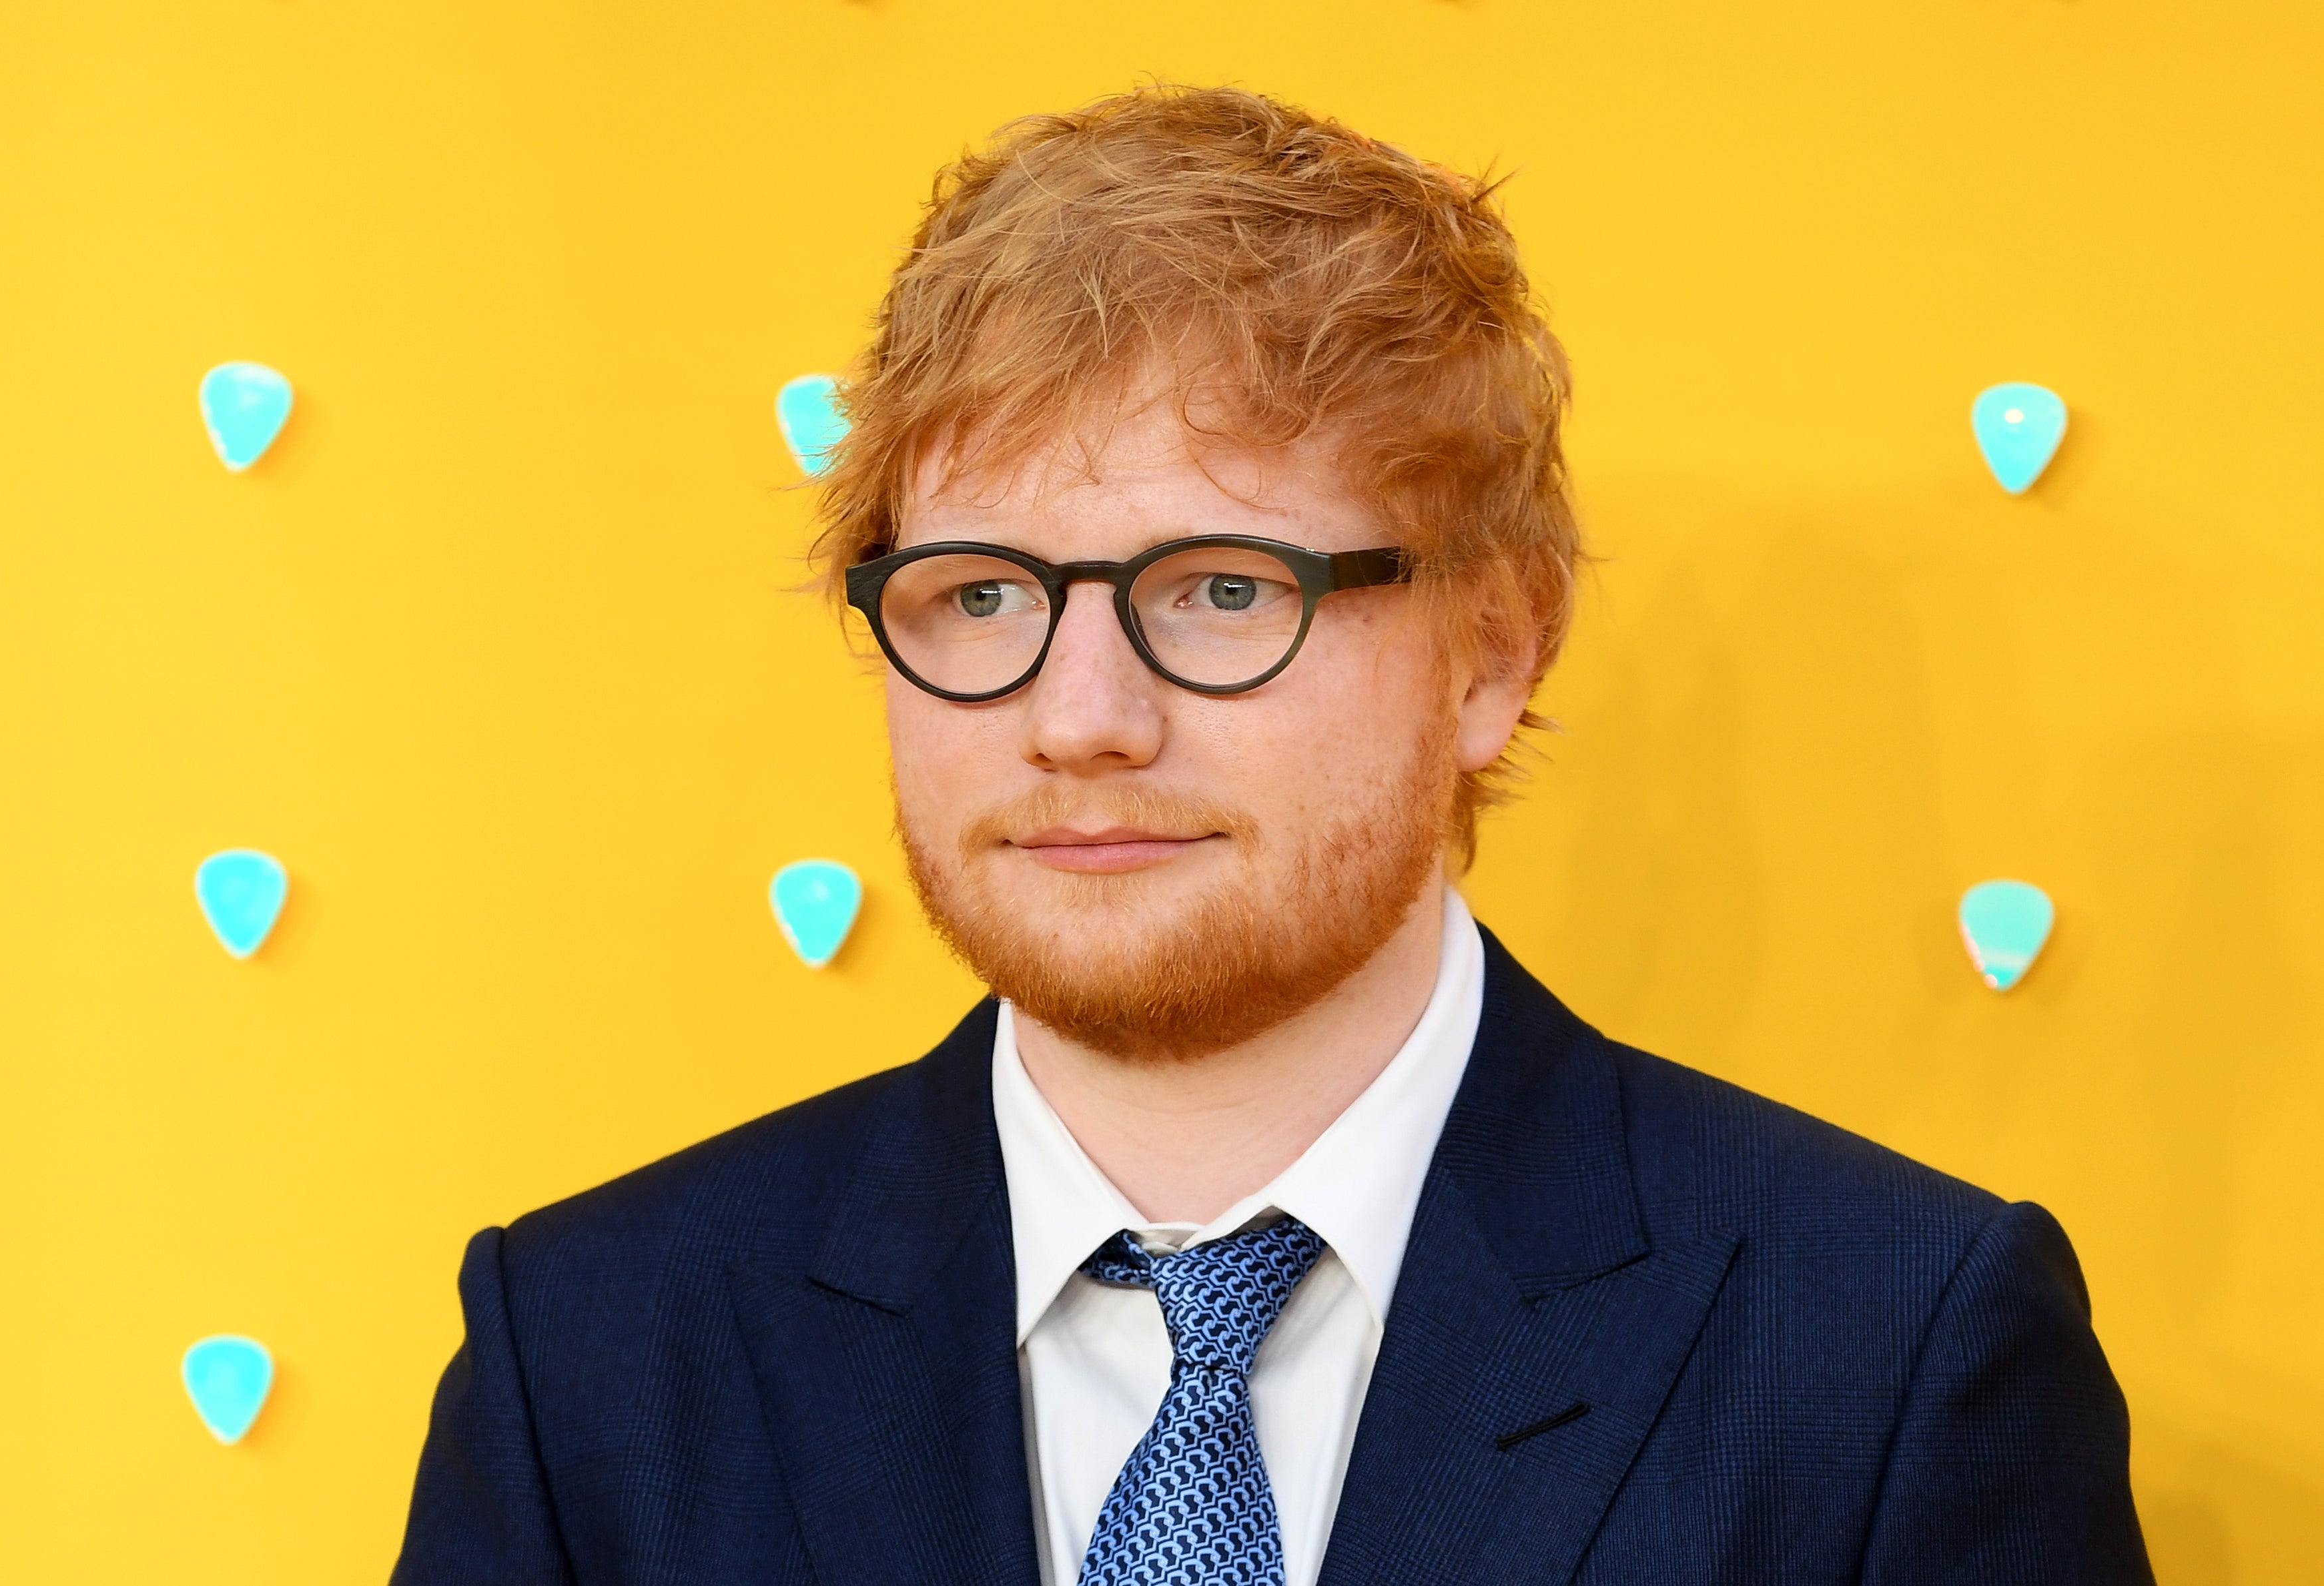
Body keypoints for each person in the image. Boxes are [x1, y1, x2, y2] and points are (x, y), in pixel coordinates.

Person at [390, 85, 2152, 1586]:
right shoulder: (590, 1361)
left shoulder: (1896, 1343)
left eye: (1221, 590)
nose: (1080, 712)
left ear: (1494, 646)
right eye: (983, 592)